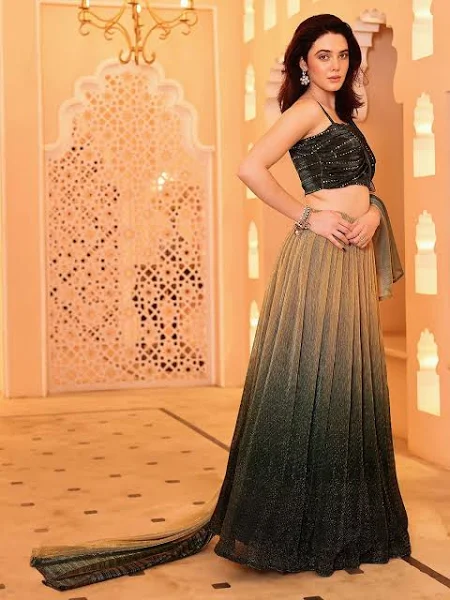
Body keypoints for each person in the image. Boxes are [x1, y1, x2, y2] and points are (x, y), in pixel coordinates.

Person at [30, 14, 411, 591]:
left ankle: (346, 524)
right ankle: (300, 529)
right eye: (323, 56)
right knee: (315, 383)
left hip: (352, 260)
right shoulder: (305, 111)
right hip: (320, 259)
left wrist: (375, 214)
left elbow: (364, 189)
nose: (335, 65)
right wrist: (308, 215)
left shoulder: (341, 116)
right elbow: (249, 167)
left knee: (347, 383)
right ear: (302, 63)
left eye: (341, 56)